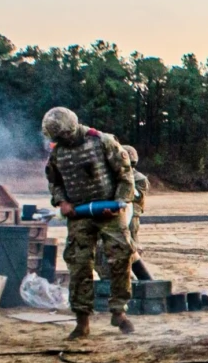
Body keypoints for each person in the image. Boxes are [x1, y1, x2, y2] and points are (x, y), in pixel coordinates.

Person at [43, 106, 137, 339]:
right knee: (79, 266)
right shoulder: (57, 153)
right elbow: (55, 183)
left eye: (63, 136)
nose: (61, 140)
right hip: (79, 216)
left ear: (71, 129)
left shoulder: (103, 142)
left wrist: (118, 203)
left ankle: (118, 311)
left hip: (110, 212)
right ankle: (82, 321)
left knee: (120, 259)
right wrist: (62, 201)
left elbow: (125, 176)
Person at [121, 145, 149, 243]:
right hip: (118, 212)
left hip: (133, 213)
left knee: (132, 241)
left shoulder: (139, 178)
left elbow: (138, 196)